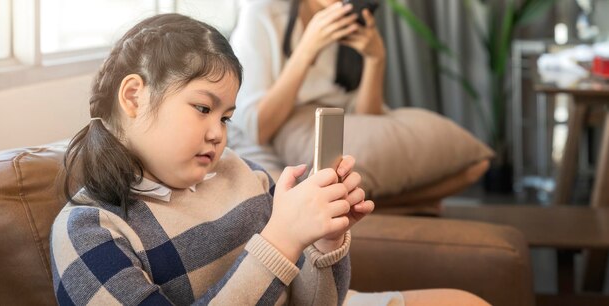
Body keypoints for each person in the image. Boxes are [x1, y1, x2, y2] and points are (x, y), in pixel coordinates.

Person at [50, 13, 488, 306]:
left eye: (225, 116)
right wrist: (280, 239)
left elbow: (313, 302)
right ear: (133, 95)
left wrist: (324, 243)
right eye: (203, 108)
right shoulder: (90, 229)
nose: (217, 134)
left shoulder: (244, 173)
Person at [229, 0, 493, 199]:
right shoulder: (263, 12)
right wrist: (308, 48)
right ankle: (395, 207)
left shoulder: (352, 17)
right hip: (266, 140)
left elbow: (367, 118)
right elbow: (257, 128)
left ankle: (377, 208)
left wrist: (375, 59)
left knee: (474, 167)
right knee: (277, 204)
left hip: (327, 130)